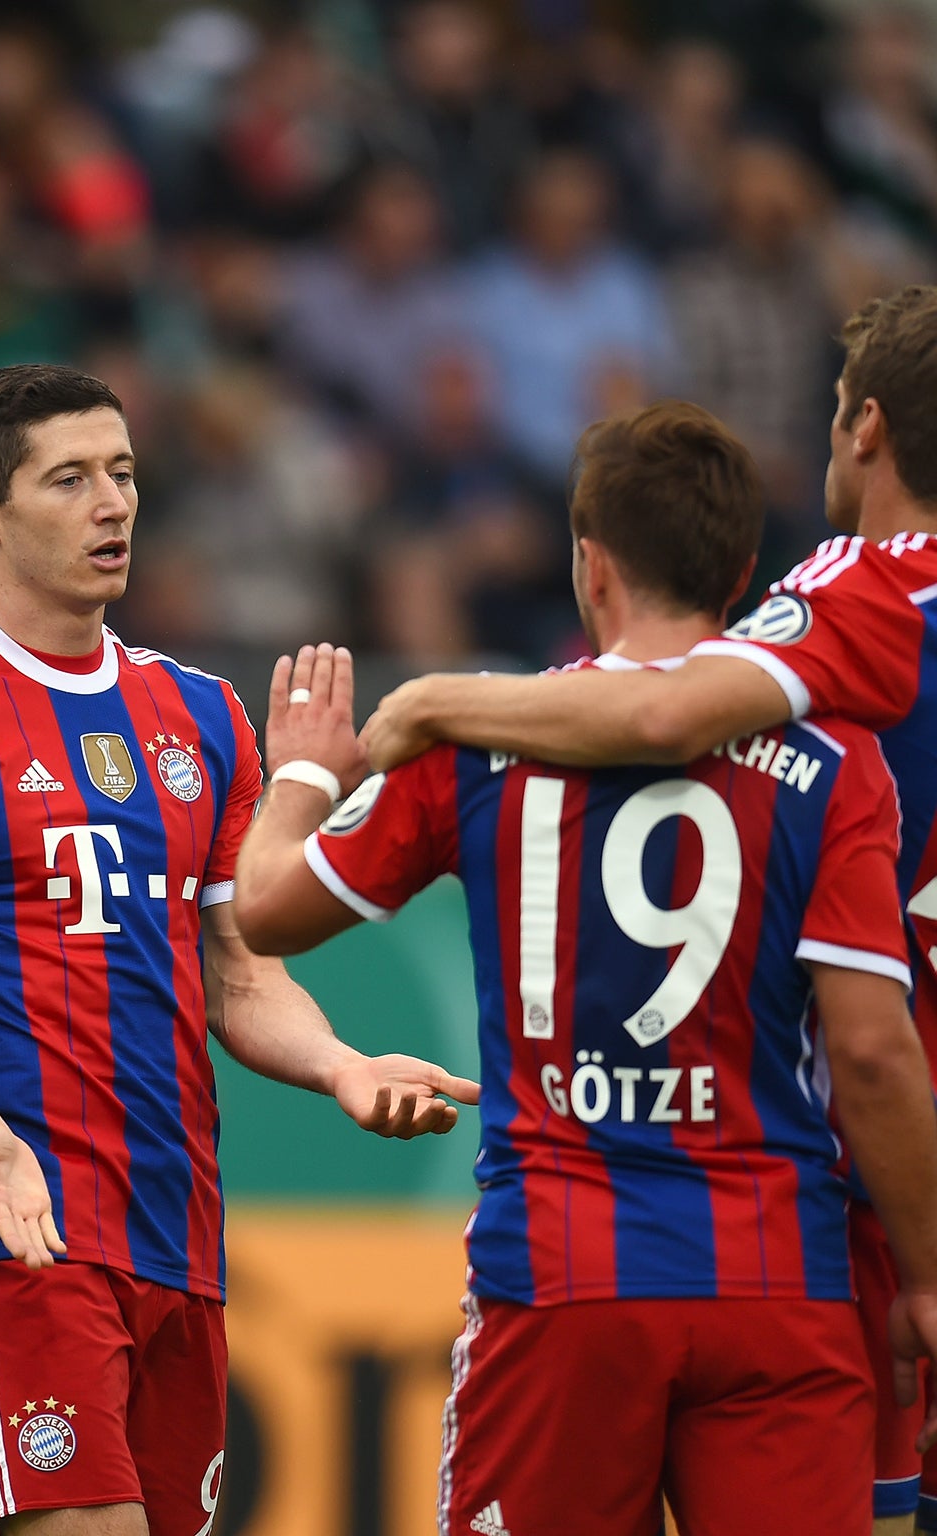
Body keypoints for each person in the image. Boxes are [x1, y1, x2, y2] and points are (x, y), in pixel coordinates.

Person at [235, 401, 937, 1536]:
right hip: (777, 1289)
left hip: (561, 1283)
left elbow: (264, 914)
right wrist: (922, 1276)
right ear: (743, 571)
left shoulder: (469, 740)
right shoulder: (835, 763)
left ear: (588, 564)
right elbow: (867, 1047)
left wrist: (304, 778)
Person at [0, 363, 477, 1536]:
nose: (111, 504)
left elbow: (238, 973)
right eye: (66, 480)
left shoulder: (200, 715)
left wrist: (340, 1067)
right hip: (21, 1229)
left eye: (120, 473)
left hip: (181, 1240)